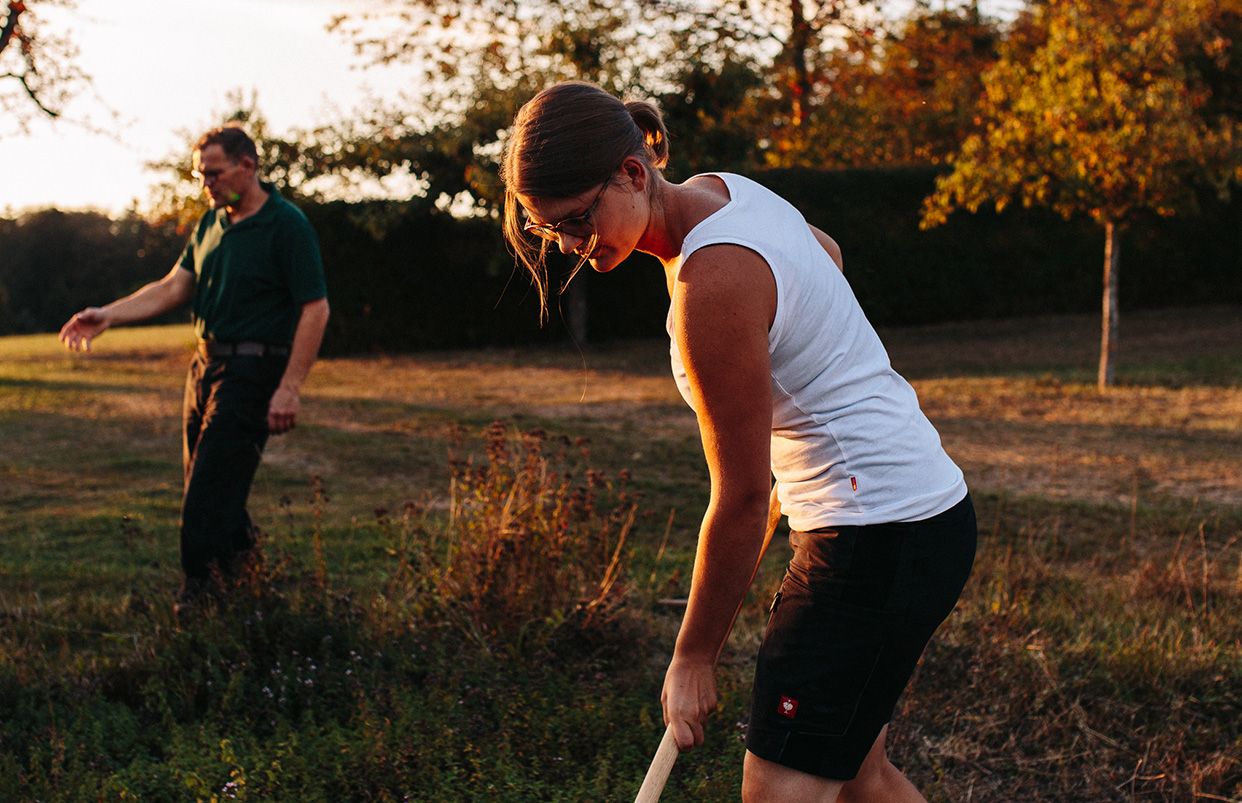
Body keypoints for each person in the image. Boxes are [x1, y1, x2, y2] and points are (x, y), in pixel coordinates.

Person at [500, 81, 976, 803]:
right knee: (856, 777)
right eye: (551, 231)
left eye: (576, 219)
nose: (570, 245)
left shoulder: (711, 281)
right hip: (920, 510)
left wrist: (694, 656)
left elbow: (744, 498)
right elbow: (827, 254)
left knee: (777, 790)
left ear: (633, 173)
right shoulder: (729, 193)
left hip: (876, 536)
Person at [59, 124, 330, 604]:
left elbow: (315, 308)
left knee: (206, 495)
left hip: (252, 372)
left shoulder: (286, 226)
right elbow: (172, 287)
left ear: (248, 166)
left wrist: (290, 387)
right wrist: (109, 315)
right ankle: (252, 591)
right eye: (201, 174)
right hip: (204, 369)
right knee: (214, 486)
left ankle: (199, 602)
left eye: (214, 173)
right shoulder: (210, 225)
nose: (207, 183)